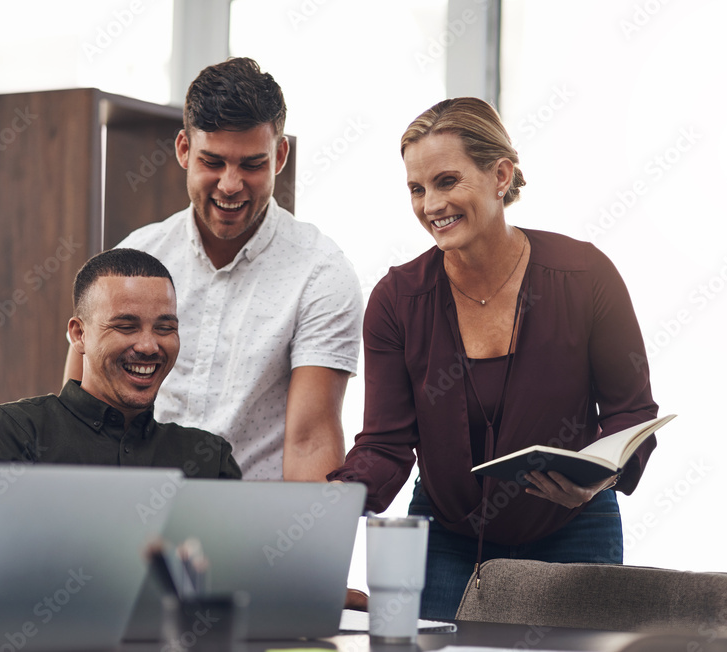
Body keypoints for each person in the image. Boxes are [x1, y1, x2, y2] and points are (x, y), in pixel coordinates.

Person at [327, 97, 659, 619]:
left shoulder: (586, 276)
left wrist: (599, 478)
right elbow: (387, 443)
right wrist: (330, 507)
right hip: (446, 539)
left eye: (447, 181)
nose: (430, 204)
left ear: (500, 174)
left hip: (573, 526)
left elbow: (631, 413)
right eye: (417, 188)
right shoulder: (397, 300)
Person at [63, 57, 364, 481]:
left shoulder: (321, 274)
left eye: (251, 164)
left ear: (279, 156)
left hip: (250, 523)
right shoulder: (135, 255)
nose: (230, 184)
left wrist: (300, 542)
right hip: (132, 511)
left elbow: (310, 440)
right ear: (184, 149)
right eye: (213, 162)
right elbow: (79, 411)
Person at [0, 249, 241, 524]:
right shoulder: (13, 432)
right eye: (126, 326)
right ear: (79, 335)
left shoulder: (209, 459)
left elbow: (230, 568)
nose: (149, 346)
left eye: (165, 328)